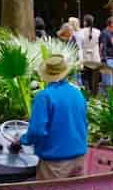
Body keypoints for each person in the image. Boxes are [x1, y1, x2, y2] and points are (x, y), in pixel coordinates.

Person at [21, 52, 89, 181]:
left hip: (56, 162)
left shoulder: (44, 96)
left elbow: (37, 131)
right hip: (79, 158)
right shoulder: (77, 93)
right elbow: (84, 122)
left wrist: (22, 140)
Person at [76, 14, 103, 95]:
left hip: (85, 58)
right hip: (95, 58)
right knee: (94, 80)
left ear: (84, 22)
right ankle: (94, 96)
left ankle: (86, 96)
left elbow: (79, 47)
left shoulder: (80, 32)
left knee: (85, 79)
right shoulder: (98, 32)